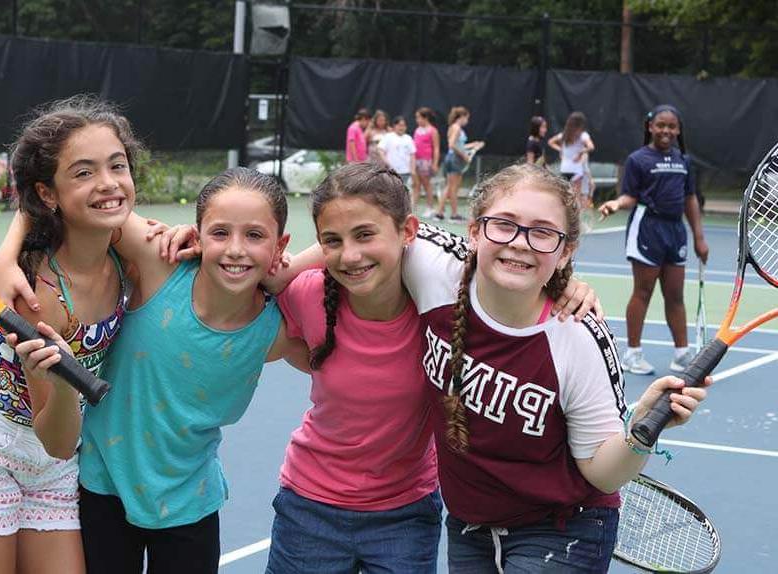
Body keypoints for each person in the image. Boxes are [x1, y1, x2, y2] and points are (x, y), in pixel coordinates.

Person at [157, 163, 602, 574]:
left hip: (404, 516)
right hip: (308, 507)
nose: (350, 255)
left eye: (366, 235)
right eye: (333, 241)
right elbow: (239, 285)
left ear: (405, 232)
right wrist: (192, 240)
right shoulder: (308, 294)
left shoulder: (439, 304)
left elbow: (498, 264)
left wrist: (565, 284)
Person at [0, 167, 308, 573]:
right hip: (103, 489)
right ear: (196, 234)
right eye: (219, 233)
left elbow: (345, 308)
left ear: (280, 244)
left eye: (254, 236)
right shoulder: (160, 264)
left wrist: (293, 268)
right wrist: (6, 254)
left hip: (191, 503)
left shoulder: (273, 331)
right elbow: (85, 207)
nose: (235, 249)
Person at [404, 163, 710, 572]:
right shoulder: (434, 269)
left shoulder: (579, 339)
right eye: (504, 224)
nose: (519, 243)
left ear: (566, 250)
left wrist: (641, 428)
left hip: (562, 528)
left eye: (542, 232)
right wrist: (288, 271)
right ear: (475, 231)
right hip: (468, 523)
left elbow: (602, 474)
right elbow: (363, 223)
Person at [0, 96, 139, 574]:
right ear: (49, 194)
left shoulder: (126, 250)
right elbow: (58, 438)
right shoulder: (34, 293)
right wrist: (65, 381)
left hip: (52, 466)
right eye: (84, 173)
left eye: (117, 166)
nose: (108, 183)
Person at [599, 105, 709, 375]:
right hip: (647, 228)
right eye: (661, 125)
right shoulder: (638, 159)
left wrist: (699, 237)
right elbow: (629, 196)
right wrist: (615, 204)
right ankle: (632, 354)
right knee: (643, 292)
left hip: (675, 232)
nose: (666, 131)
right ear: (650, 127)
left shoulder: (684, 160)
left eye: (672, 127)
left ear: (678, 130)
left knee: (675, 295)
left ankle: (682, 355)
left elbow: (690, 198)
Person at [435, 106, 484, 223]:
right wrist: (464, 156)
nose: (467, 121)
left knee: (449, 187)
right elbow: (452, 145)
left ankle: (439, 213)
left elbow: (458, 145)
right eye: (466, 118)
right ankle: (454, 215)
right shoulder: (457, 128)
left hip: (451, 158)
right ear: (461, 117)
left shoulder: (453, 127)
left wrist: (473, 144)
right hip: (455, 159)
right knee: (453, 188)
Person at [548, 111, 595, 201]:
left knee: (566, 196)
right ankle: (574, 214)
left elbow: (550, 142)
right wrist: (581, 152)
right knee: (575, 197)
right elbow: (591, 147)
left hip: (565, 169)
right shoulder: (582, 135)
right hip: (576, 170)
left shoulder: (565, 135)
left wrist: (561, 149)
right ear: (580, 124)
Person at [411, 107, 440, 218]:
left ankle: (430, 208)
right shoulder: (417, 130)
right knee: (416, 185)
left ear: (425, 118)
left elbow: (436, 148)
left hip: (426, 161)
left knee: (426, 184)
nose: (417, 120)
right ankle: (413, 208)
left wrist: (435, 163)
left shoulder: (433, 131)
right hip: (415, 160)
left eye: (419, 117)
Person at [378, 115, 416, 186]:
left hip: (405, 171)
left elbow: (412, 155)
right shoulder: (388, 136)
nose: (401, 127)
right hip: (392, 171)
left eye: (404, 125)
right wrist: (387, 163)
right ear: (394, 126)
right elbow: (380, 150)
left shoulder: (408, 138)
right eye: (399, 125)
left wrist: (413, 169)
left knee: (404, 190)